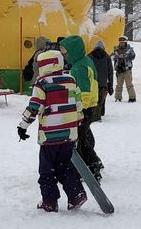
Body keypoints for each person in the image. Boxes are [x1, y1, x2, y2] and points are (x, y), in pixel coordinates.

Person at [17, 48, 88, 212]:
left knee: (46, 170)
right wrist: (78, 122)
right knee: (65, 167)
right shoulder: (71, 80)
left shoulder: (42, 83)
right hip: (69, 133)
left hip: (50, 135)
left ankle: (49, 201)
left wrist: (23, 125)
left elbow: (34, 106)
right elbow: (78, 105)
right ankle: (76, 194)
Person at [58, 35, 104, 181]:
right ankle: (94, 162)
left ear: (73, 51)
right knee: (84, 136)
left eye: (65, 52)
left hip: (84, 108)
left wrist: (79, 111)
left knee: (79, 139)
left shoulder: (79, 67)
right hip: (90, 107)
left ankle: (90, 167)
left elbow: (84, 91)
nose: (64, 55)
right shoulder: (85, 61)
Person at [88, 40, 113, 120]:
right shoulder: (107, 57)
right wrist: (110, 86)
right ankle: (100, 113)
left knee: (92, 100)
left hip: (92, 83)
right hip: (103, 83)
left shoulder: (89, 56)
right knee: (101, 100)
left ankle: (93, 115)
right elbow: (110, 73)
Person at [114, 37, 137, 101]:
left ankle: (132, 97)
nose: (121, 43)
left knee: (129, 84)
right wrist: (118, 57)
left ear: (125, 42)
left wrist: (126, 56)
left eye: (123, 42)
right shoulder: (116, 49)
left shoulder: (129, 49)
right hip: (119, 69)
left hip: (127, 69)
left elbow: (133, 57)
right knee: (119, 85)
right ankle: (118, 97)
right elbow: (114, 58)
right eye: (120, 42)